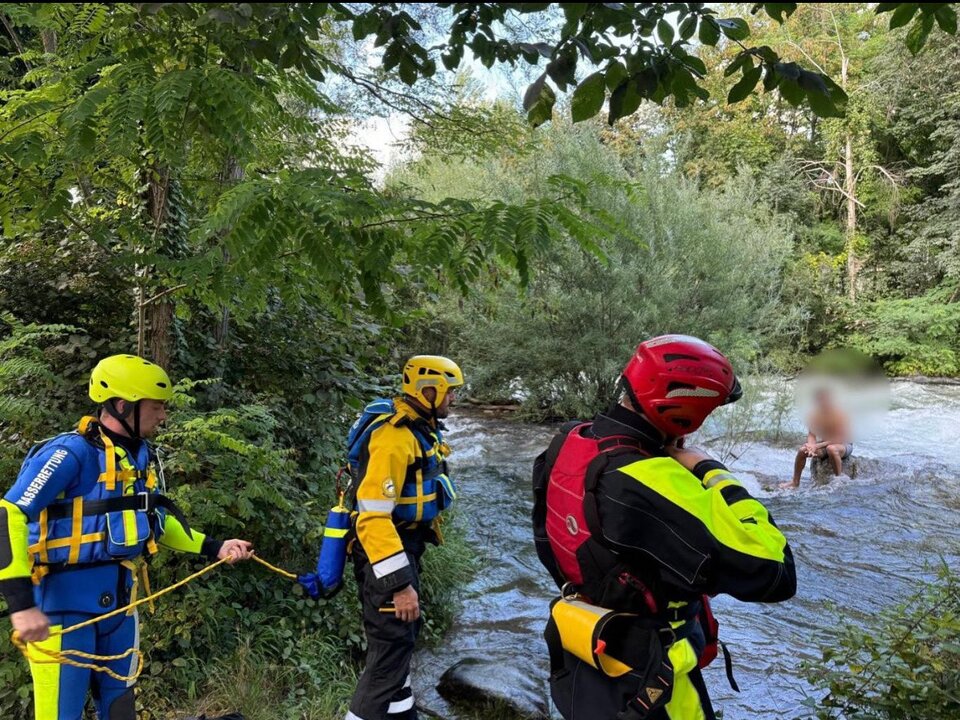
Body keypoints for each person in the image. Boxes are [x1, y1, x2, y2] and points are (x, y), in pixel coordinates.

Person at [532, 335, 796, 720]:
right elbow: (775, 572)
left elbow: (547, 538)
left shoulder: (568, 441)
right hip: (653, 684)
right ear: (686, 414)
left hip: (583, 658)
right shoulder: (654, 478)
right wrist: (710, 470)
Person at [0, 354, 254, 720]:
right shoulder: (68, 454)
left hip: (120, 605)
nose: (164, 416)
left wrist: (214, 546)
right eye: (157, 407)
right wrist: (22, 605)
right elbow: (8, 514)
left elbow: (154, 519)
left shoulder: (138, 456)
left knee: (120, 712)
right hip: (63, 610)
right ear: (123, 405)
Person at [345, 355, 464, 720]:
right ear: (428, 390)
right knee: (388, 659)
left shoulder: (418, 428)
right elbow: (373, 517)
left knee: (399, 651)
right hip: (387, 556)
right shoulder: (394, 438)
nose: (453, 400)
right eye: (450, 392)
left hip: (404, 548)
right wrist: (399, 584)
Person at [781, 386, 852, 489]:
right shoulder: (815, 415)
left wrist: (817, 445)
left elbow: (838, 439)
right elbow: (812, 434)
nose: (823, 402)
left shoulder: (839, 414)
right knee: (802, 451)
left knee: (831, 449)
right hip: (824, 445)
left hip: (843, 445)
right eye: (820, 400)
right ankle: (795, 482)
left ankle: (838, 479)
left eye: (825, 399)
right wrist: (810, 446)